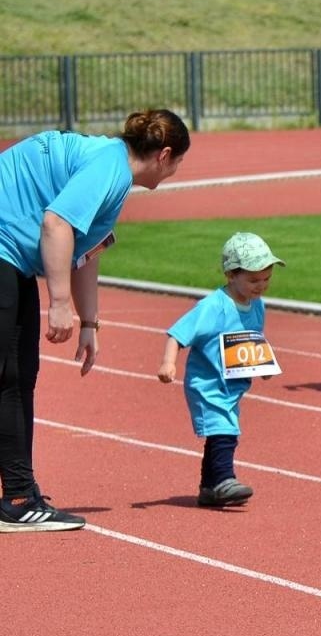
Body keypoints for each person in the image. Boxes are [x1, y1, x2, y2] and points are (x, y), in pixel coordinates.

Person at [0, 109, 189, 533]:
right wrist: (60, 301)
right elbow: (57, 223)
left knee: (16, 377)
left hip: (10, 257)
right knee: (9, 378)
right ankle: (17, 496)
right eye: (178, 164)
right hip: (4, 248)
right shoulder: (110, 167)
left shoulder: (111, 172)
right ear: (165, 154)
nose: (176, 172)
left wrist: (90, 323)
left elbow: (85, 251)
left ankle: (17, 497)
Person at [157, 232, 285, 508]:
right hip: (207, 384)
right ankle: (225, 479)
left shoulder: (257, 304)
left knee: (220, 432)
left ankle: (208, 488)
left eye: (266, 279)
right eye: (253, 280)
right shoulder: (213, 306)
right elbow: (177, 334)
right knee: (225, 431)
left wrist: (262, 365)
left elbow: (252, 338)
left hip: (232, 385)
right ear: (230, 275)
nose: (261, 286)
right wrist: (168, 362)